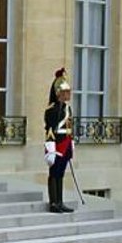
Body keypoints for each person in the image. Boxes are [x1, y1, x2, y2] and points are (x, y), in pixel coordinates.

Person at [43, 68, 74, 213]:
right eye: (65, 92)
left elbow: (69, 126)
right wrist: (50, 148)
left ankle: (60, 201)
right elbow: (49, 130)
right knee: (54, 172)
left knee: (61, 173)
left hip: (66, 142)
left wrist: (71, 142)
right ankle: (53, 202)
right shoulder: (51, 110)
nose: (68, 94)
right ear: (58, 93)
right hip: (57, 143)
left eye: (68, 92)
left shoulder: (68, 109)